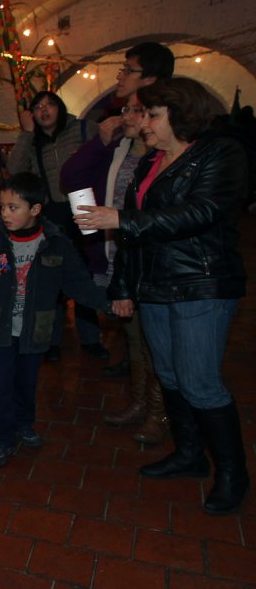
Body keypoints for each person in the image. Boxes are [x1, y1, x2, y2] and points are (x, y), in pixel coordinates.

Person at [75, 78, 249, 515]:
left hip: (199, 285)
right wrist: (122, 287)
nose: (141, 122)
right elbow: (135, 230)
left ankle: (233, 474)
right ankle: (189, 455)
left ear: (179, 112)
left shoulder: (220, 152)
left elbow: (202, 212)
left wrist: (122, 219)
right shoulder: (151, 160)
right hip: (154, 286)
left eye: (151, 114)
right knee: (169, 376)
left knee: (200, 383)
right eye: (140, 114)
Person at [0, 172, 110, 467]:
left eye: (13, 207)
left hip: (34, 332)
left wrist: (109, 303)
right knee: (0, 387)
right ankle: (1, 438)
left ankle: (23, 424)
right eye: (2, 206)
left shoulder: (56, 243)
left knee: (27, 384)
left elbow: (78, 283)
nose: (5, 213)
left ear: (35, 209)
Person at [61, 93, 168, 444]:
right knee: (134, 335)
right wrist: (101, 141)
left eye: (138, 110)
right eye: (130, 110)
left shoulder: (164, 156)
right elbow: (71, 176)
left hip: (153, 260)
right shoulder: (120, 148)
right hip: (119, 255)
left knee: (156, 341)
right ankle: (142, 404)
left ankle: (159, 412)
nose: (131, 116)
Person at [7, 91, 106, 362]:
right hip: (52, 215)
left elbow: (108, 155)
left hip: (85, 211)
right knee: (51, 279)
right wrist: (26, 134)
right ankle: (52, 341)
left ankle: (91, 339)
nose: (44, 111)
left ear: (60, 107)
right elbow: (14, 170)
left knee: (83, 276)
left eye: (49, 105)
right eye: (37, 107)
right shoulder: (33, 141)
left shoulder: (83, 129)